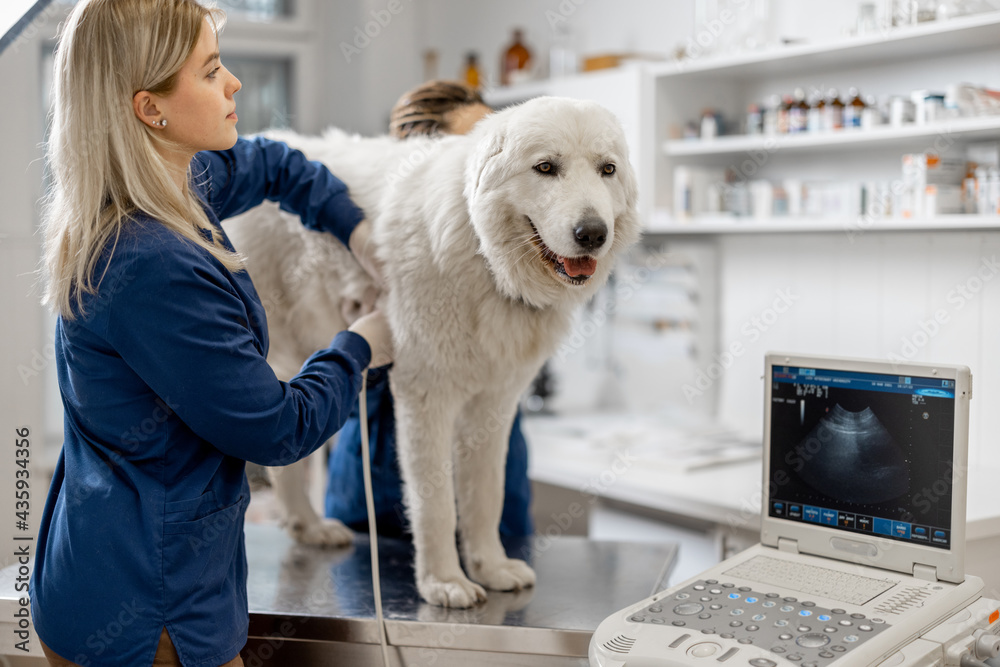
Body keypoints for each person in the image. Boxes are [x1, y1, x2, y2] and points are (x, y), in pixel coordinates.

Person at [30, 1, 389, 665]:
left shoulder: (166, 187)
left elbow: (277, 165)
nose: (235, 85)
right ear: (150, 108)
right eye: (211, 70)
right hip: (147, 615)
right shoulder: (151, 261)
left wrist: (356, 229)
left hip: (90, 568)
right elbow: (275, 427)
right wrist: (359, 346)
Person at [324, 80, 535, 539]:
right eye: (471, 145)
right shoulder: (377, 238)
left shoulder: (511, 247)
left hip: (499, 483)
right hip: (380, 486)